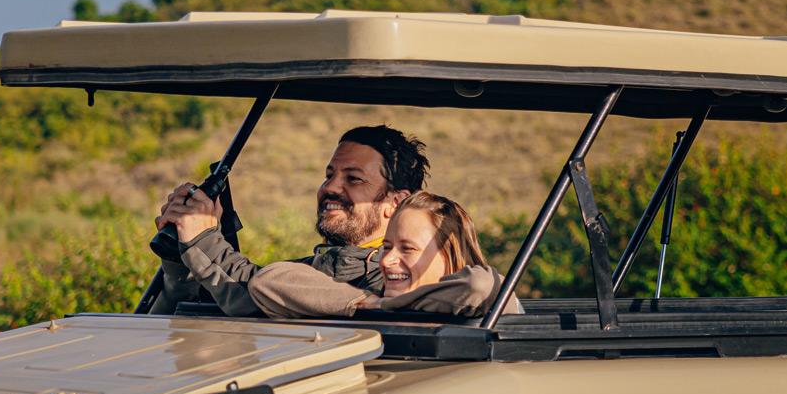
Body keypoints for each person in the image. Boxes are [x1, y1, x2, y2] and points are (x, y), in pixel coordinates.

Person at [151, 125, 428, 316]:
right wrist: (180, 261)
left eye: (353, 178)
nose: (330, 188)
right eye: (329, 174)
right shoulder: (300, 271)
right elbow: (173, 338)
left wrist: (204, 240)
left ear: (395, 202)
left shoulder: (396, 280)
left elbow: (259, 296)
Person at [247, 192, 519, 318]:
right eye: (387, 247)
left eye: (408, 248)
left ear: (450, 255)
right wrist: (364, 302)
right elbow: (268, 281)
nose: (387, 260)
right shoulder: (374, 295)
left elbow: (479, 286)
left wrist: (386, 307)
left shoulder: (491, 306)